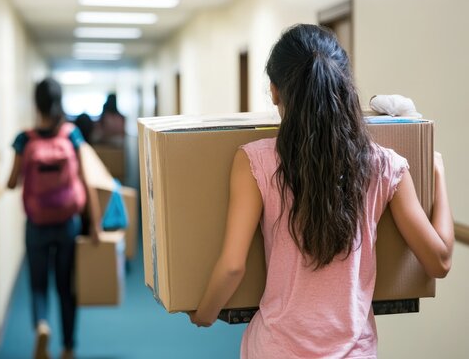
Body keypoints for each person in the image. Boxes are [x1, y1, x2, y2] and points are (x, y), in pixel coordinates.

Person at [188, 24, 454, 358]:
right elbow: (440, 260)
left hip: (275, 350)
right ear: (343, 84)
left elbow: (232, 267)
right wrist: (438, 173)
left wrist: (205, 315)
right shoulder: (386, 166)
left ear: (274, 91)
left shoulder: (255, 161)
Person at [7, 78, 99, 359]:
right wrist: (94, 224)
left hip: (36, 224)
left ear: (36, 104)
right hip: (67, 223)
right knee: (65, 285)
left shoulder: (24, 139)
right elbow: (87, 180)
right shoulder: (72, 135)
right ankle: (69, 347)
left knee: (37, 283)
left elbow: (12, 182)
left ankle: (42, 326)